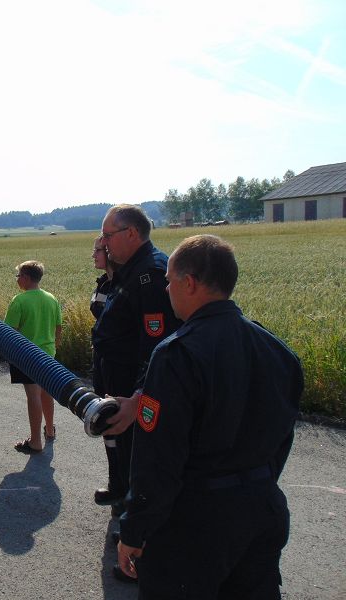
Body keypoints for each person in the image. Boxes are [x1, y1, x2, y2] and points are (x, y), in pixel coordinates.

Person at [116, 235, 303, 599]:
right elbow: (282, 439)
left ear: (190, 283)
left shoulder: (175, 355)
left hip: (195, 523)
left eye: (169, 281)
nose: (166, 289)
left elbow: (158, 460)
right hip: (262, 511)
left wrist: (134, 530)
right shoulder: (279, 351)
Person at [93, 205, 180, 540]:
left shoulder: (152, 273)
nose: (104, 242)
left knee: (140, 456)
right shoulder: (130, 269)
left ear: (131, 233)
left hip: (135, 388)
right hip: (116, 379)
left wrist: (138, 397)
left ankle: (138, 528)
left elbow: (156, 345)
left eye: (108, 235)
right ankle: (123, 497)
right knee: (119, 445)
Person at [4, 260, 62, 454]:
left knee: (33, 396)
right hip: (48, 353)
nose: (17, 280)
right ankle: (50, 430)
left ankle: (36, 441)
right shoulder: (51, 298)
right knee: (47, 393)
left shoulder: (19, 301)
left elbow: (9, 332)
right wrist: (54, 348)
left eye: (18, 276)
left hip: (28, 356)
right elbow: (58, 328)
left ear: (26, 278)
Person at [89, 235, 125, 516]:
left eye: (97, 251)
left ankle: (126, 492)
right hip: (102, 363)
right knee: (107, 423)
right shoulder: (104, 283)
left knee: (122, 427)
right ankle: (117, 484)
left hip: (120, 367)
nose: (93, 256)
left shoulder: (127, 284)